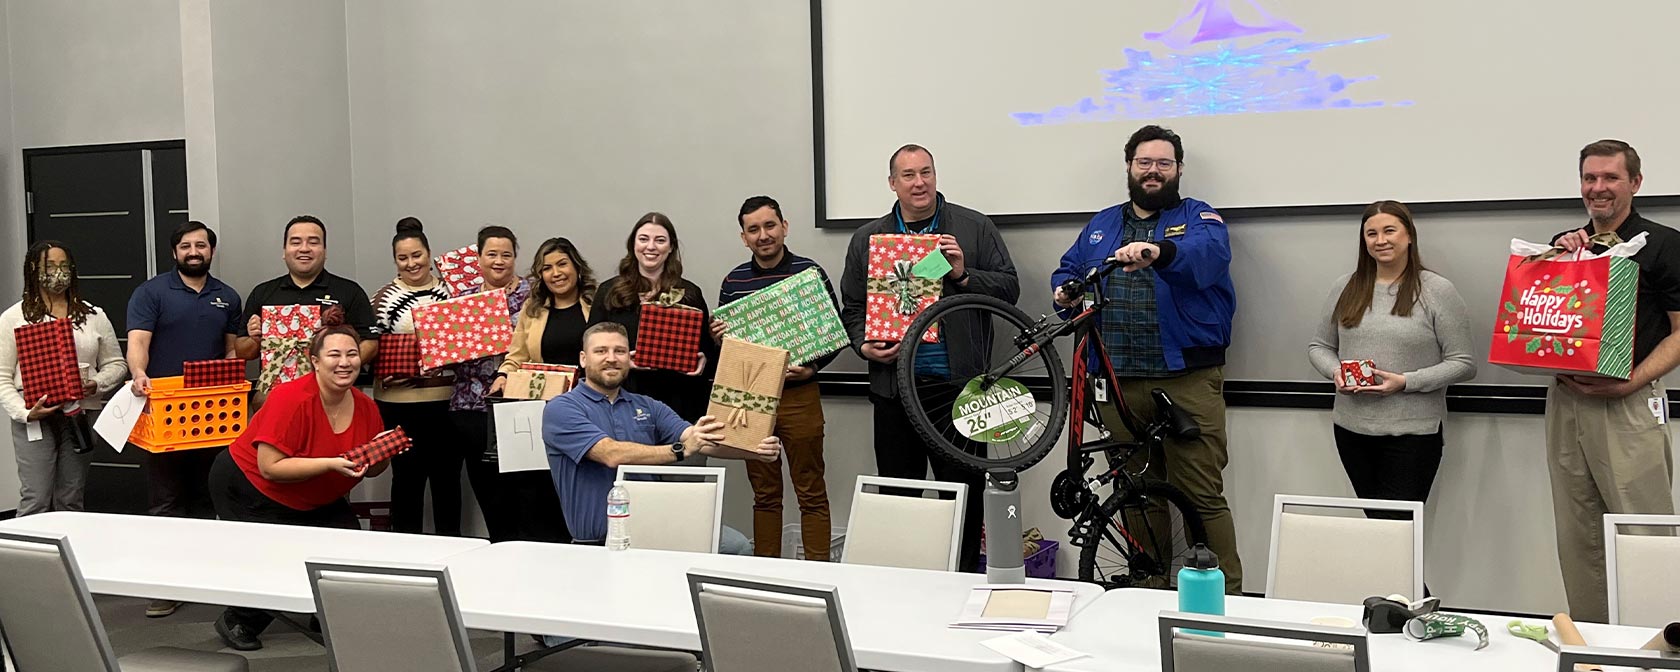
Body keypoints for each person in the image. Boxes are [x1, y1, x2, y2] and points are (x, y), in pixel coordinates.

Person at [1050, 125, 1243, 593]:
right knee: (1135, 494)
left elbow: (1208, 257)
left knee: (1200, 494)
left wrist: (1159, 251)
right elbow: (1070, 269)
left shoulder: (1199, 217)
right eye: (1144, 162)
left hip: (1186, 380)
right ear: (1130, 167)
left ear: (1178, 169)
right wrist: (1063, 291)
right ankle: (1149, 588)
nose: (1153, 171)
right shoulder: (1101, 225)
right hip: (1115, 381)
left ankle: (1228, 598)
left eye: (1163, 163)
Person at [839, 144, 1019, 572]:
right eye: (908, 175)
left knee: (965, 496)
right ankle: (905, 588)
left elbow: (1010, 289)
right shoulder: (868, 239)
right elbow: (852, 308)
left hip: (960, 392)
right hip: (895, 390)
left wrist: (962, 274)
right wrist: (863, 345)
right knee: (900, 498)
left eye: (926, 173)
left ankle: (960, 583)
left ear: (936, 176)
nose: (919, 183)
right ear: (892, 183)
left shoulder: (973, 228)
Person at [1546, 139, 1679, 623]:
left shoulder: (1664, 244)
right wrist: (1555, 258)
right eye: (1589, 178)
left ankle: (1656, 644)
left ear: (1635, 183)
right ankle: (1592, 646)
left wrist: (1631, 382)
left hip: (1628, 403)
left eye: (1610, 178)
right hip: (1566, 403)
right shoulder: (1566, 246)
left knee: (1641, 530)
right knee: (1578, 532)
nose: (1597, 188)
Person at [209, 308, 392, 651]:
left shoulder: (366, 407)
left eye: (352, 354)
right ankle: (239, 619)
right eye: (334, 355)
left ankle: (323, 615)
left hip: (314, 494)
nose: (345, 362)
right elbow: (270, 467)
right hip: (248, 485)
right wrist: (331, 463)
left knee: (349, 546)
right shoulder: (291, 398)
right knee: (276, 559)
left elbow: (373, 467)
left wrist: (378, 457)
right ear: (315, 361)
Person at [543, 321, 776, 552]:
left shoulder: (648, 406)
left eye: (620, 351)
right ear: (584, 359)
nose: (611, 358)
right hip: (597, 543)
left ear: (629, 358)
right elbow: (610, 453)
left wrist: (754, 450)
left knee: (737, 547)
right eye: (601, 351)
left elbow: (700, 441)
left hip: (658, 529)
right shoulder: (561, 408)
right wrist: (680, 450)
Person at [1307, 201, 1475, 517]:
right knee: (1376, 528)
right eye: (1371, 233)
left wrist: (1406, 382)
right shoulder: (1345, 287)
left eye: (1389, 230)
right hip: (1351, 431)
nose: (1380, 240)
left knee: (1398, 530)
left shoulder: (1437, 290)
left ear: (1409, 235)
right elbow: (1319, 347)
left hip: (1414, 435)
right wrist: (1337, 372)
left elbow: (1463, 362)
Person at [123, 220, 243, 618]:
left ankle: (208, 578)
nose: (195, 252)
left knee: (208, 496)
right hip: (166, 414)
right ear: (174, 252)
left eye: (202, 245)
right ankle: (165, 585)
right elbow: (138, 341)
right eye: (187, 246)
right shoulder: (151, 292)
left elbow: (231, 351)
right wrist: (138, 373)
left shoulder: (228, 296)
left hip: (214, 414)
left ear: (211, 251)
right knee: (166, 501)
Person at [712, 196, 837, 560]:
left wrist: (813, 368)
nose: (763, 235)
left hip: (800, 395)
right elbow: (729, 351)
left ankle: (819, 574)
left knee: (811, 490)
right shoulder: (733, 282)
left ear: (784, 226)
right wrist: (718, 338)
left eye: (770, 226)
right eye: (754, 229)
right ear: (743, 237)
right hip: (751, 399)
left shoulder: (808, 274)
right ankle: (767, 574)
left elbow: (834, 331)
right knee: (764, 494)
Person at [483, 237, 598, 543]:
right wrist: (504, 375)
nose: (556, 273)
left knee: (580, 484)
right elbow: (516, 355)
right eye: (547, 268)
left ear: (576, 266)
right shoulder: (532, 310)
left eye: (562, 264)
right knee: (539, 491)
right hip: (540, 414)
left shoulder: (597, 305)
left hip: (588, 410)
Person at [0, 241, 126, 516]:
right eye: (49, 266)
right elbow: (2, 377)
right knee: (35, 498)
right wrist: (25, 413)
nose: (58, 272)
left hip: (80, 414)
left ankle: (67, 558)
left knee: (71, 498)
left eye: (63, 266)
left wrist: (95, 384)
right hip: (34, 417)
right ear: (33, 270)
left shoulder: (93, 315)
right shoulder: (13, 318)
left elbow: (117, 364)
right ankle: (28, 559)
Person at [368, 218, 461, 535]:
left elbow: (466, 344)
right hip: (398, 407)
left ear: (429, 253)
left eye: (417, 255)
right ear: (395, 261)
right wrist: (387, 371)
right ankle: (405, 552)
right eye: (403, 258)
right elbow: (370, 351)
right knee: (406, 479)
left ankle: (454, 548)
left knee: (447, 480)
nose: (411, 263)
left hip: (447, 405)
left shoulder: (453, 294)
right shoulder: (381, 300)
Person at [589, 213, 719, 427]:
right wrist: (621, 361)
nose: (651, 246)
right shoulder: (608, 292)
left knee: (683, 459)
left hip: (680, 406)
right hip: (623, 403)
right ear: (633, 244)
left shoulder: (689, 293)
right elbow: (591, 348)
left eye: (660, 240)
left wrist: (703, 361)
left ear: (671, 247)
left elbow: (708, 352)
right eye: (643, 239)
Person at [446, 225, 529, 542]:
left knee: (522, 489)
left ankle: (525, 551)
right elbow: (447, 354)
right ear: (478, 258)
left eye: (506, 254)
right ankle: (499, 548)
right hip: (471, 409)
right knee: (487, 490)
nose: (499, 261)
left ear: (514, 257)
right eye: (491, 254)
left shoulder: (532, 296)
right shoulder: (462, 301)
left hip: (520, 407)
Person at [235, 215, 376, 374]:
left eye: (313, 242)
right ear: (284, 251)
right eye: (295, 242)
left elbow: (370, 343)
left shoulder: (350, 291)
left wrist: (340, 366)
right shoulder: (262, 293)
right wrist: (255, 338)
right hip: (276, 392)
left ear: (325, 250)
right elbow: (242, 352)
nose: (304, 248)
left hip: (331, 393)